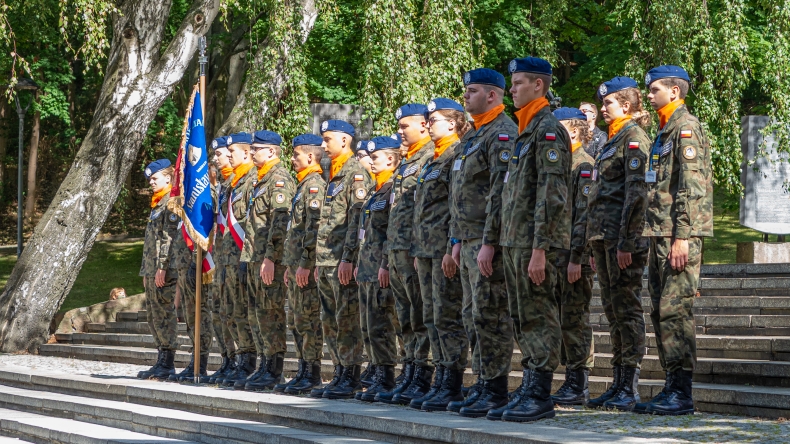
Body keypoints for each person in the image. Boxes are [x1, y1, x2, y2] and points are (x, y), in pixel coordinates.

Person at [496, 57, 572, 422]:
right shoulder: (525, 130)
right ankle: (529, 383)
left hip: (535, 243)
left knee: (539, 315)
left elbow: (551, 195)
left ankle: (540, 392)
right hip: (516, 241)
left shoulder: (548, 130)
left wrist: (540, 248)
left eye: (519, 83)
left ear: (538, 85)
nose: (511, 89)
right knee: (522, 316)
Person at [442, 68, 517, 418]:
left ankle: (496, 388)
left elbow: (500, 193)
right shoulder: (474, 135)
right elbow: (461, 194)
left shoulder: (502, 133)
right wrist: (456, 240)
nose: (466, 97)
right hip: (468, 239)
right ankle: (483, 382)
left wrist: (490, 241)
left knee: (491, 315)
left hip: (488, 242)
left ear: (492, 95)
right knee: (472, 316)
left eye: (472, 91)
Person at [638, 65, 712, 415]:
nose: (649, 94)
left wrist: (682, 237)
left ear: (675, 92)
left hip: (678, 236)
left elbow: (691, 188)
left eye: (654, 89)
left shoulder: (685, 128)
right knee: (659, 310)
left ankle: (682, 392)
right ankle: (671, 385)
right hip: (660, 234)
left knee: (675, 310)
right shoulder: (664, 130)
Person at [585, 77, 652, 411]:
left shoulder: (634, 138)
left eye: (608, 102)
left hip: (622, 240)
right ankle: (618, 381)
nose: (603, 108)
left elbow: (637, 194)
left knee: (627, 309)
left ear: (626, 105)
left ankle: (630, 384)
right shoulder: (612, 140)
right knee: (613, 311)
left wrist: (627, 241)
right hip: (604, 238)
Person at [403, 98, 470, 412]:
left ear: (453, 123)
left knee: (447, 317)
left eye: (433, 120)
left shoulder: (456, 153)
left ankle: (452, 381)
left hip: (443, 250)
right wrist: (418, 249)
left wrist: (449, 247)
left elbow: (455, 205)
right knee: (431, 318)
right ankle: (441, 377)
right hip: (426, 250)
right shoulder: (433, 158)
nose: (428, 124)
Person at [375, 104, 434, 404]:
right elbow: (395, 214)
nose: (400, 131)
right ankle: (409, 370)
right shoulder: (407, 161)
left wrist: (415, 247)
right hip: (397, 250)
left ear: (423, 125)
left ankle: (422, 374)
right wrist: (387, 259)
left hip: (414, 250)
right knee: (405, 317)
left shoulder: (430, 156)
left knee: (420, 315)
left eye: (405, 126)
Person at [312, 120, 373, 399]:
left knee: (346, 319)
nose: (323, 145)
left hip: (341, 262)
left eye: (328, 139)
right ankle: (339, 370)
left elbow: (355, 221)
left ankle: (350, 374)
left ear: (345, 140)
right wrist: (318, 261)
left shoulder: (356, 174)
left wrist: (348, 258)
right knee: (330, 320)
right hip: (327, 261)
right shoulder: (334, 174)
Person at [239, 130, 296, 391]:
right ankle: (264, 363)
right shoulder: (260, 180)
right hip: (254, 257)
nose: (251, 153)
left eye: (256, 149)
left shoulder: (279, 179)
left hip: (268, 260)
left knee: (270, 313)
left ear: (271, 151)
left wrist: (271, 257)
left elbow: (280, 223)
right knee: (257, 314)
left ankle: (274, 368)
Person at [548, 107, 596, 406]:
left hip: (572, 256)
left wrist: (577, 257)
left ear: (575, 130)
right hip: (555, 254)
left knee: (574, 319)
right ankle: (569, 378)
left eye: (559, 127)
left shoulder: (583, 164)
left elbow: (584, 216)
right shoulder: (559, 164)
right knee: (559, 318)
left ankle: (579, 382)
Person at [353, 135, 402, 402]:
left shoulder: (393, 187)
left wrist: (384, 264)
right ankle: (377, 373)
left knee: (382, 325)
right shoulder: (376, 190)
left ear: (391, 159)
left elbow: (390, 231)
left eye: (375, 158)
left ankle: (386, 377)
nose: (371, 162)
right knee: (370, 326)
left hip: (380, 268)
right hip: (367, 268)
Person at [281, 134, 327, 395]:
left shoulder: (314, 186)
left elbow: (314, 228)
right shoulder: (303, 185)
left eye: (296, 154)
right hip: (295, 265)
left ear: (310, 157)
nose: (292, 159)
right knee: (297, 320)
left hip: (304, 266)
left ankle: (312, 372)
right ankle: (303, 368)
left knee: (308, 320)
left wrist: (306, 263)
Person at [216, 132, 258, 387]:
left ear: (245, 152)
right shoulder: (233, 183)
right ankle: (239, 358)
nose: (228, 156)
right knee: (230, 311)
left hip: (243, 257)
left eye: (232, 152)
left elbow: (251, 223)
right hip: (227, 258)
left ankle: (249, 360)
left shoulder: (253, 180)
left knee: (243, 310)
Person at [137, 159, 180, 380]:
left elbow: (168, 238)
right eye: (150, 179)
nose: (151, 182)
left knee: (164, 314)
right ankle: (161, 357)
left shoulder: (171, 202)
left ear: (168, 178)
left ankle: (168, 361)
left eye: (155, 178)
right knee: (153, 316)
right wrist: (146, 270)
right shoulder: (157, 203)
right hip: (153, 270)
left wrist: (162, 267)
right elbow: (150, 242)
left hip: (165, 270)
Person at [207, 136, 238, 383]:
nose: (216, 158)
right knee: (218, 312)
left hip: (235, 259)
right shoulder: (224, 185)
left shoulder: (238, 182)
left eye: (220, 154)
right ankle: (227, 358)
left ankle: (240, 360)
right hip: (221, 257)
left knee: (234, 311)